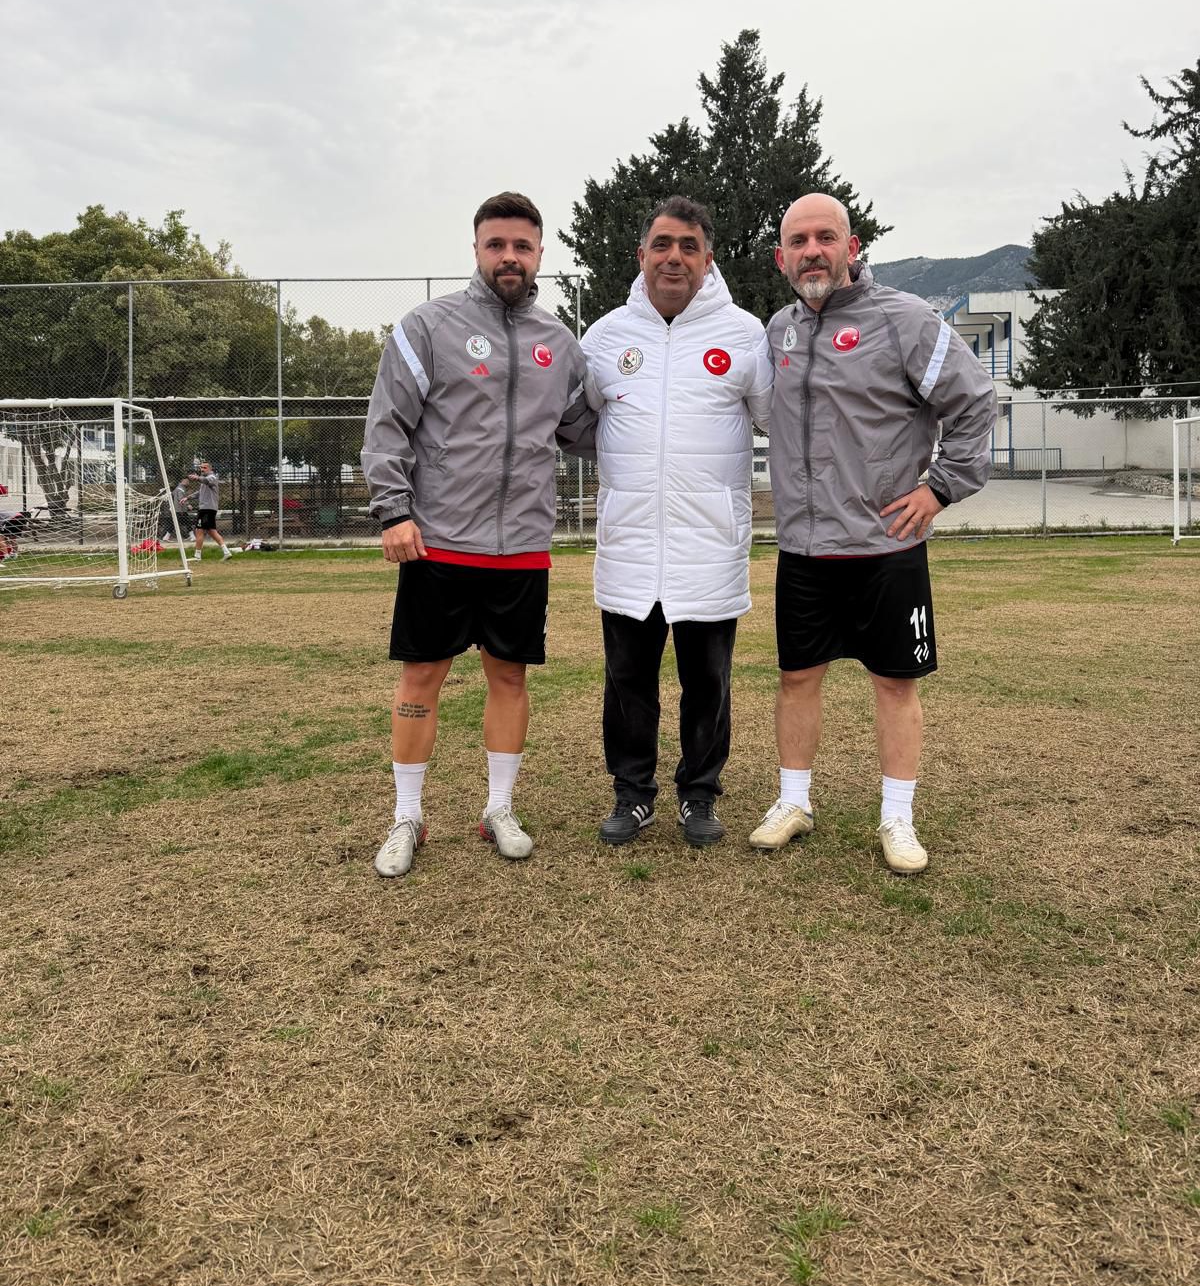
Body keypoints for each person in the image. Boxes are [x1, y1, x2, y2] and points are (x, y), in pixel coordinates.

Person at [750, 193, 996, 873]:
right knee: (796, 677)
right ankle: (793, 802)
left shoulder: (904, 320)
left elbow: (975, 400)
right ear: (780, 258)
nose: (812, 251)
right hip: (804, 548)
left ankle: (897, 817)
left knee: (895, 683)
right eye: (798, 241)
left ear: (851, 247)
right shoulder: (779, 330)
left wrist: (940, 487)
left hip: (887, 546)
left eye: (825, 237)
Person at [361, 191, 595, 878]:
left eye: (522, 246)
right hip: (437, 540)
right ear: (476, 250)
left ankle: (499, 809)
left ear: (540, 253)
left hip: (521, 545)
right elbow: (387, 425)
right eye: (497, 245)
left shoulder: (560, 343)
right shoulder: (428, 328)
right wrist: (393, 511)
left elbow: (587, 429)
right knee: (422, 675)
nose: (509, 257)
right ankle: (407, 815)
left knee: (509, 676)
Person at [580, 196, 773, 847]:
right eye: (662, 245)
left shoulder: (745, 335)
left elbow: (780, 420)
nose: (674, 257)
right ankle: (632, 794)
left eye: (689, 247)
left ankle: (699, 794)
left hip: (709, 549)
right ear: (641, 255)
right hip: (629, 547)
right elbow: (579, 420)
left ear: (708, 259)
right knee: (627, 683)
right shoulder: (605, 338)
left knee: (708, 683)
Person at [190, 464, 232, 561]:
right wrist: (187, 498)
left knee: (199, 530)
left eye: (204, 468)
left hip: (206, 509)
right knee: (212, 531)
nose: (202, 469)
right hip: (207, 509)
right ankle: (226, 552)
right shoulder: (204, 480)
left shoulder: (212, 477)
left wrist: (197, 478)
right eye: (201, 468)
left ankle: (197, 556)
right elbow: (199, 492)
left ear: (210, 469)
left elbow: (206, 480)